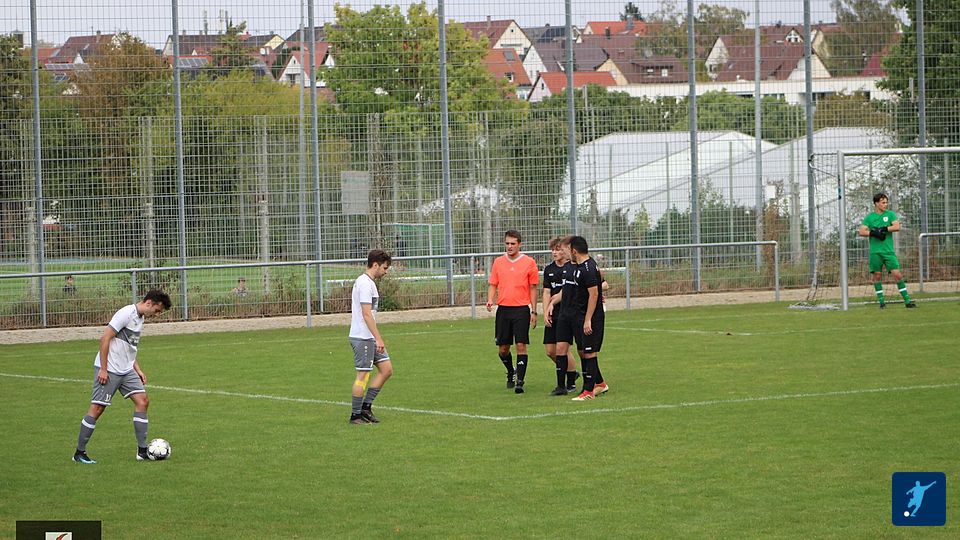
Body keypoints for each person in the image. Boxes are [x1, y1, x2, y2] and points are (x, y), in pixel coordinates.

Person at [72, 289, 172, 464]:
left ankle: (142, 451)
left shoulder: (140, 318)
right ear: (149, 303)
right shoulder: (126, 313)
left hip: (126, 370)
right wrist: (103, 369)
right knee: (97, 409)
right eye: (157, 310)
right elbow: (105, 339)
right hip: (109, 368)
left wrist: (138, 369)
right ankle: (79, 453)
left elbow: (129, 347)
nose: (157, 314)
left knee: (143, 401)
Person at [546, 236, 608, 401]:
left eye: (565, 249)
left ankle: (589, 391)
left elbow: (594, 294)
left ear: (573, 250)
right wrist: (552, 303)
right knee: (579, 351)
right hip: (570, 315)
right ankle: (590, 386)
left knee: (588, 352)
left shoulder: (588, 268)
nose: (563, 252)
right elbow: (568, 291)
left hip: (586, 317)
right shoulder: (576, 267)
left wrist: (588, 319)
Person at [486, 230, 539, 394]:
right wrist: (490, 299)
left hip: (521, 309)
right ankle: (511, 371)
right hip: (503, 310)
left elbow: (533, 288)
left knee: (521, 345)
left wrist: (534, 311)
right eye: (507, 243)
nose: (509, 246)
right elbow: (493, 284)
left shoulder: (529, 262)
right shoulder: (498, 262)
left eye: (513, 244)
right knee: (503, 349)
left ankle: (520, 382)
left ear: (519, 244)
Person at [348, 250, 394, 425]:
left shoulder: (369, 283)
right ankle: (355, 415)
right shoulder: (365, 284)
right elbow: (366, 314)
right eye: (384, 268)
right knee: (363, 376)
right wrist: (378, 338)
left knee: (386, 369)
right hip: (363, 337)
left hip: (369, 337)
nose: (385, 272)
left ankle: (366, 408)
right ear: (375, 265)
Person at [858, 192, 917, 309]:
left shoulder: (890, 214)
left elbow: (897, 226)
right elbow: (862, 231)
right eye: (883, 202)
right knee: (877, 276)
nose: (885, 204)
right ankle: (882, 303)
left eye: (886, 202)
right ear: (876, 203)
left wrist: (884, 229)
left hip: (889, 252)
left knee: (897, 275)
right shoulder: (869, 217)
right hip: (875, 252)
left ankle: (907, 302)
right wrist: (874, 233)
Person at [542, 237, 578, 395]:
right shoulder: (549, 269)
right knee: (550, 351)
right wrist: (545, 312)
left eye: (557, 249)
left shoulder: (571, 267)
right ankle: (570, 372)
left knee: (563, 348)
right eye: (552, 250)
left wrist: (555, 301)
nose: (554, 253)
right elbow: (546, 292)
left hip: (566, 313)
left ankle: (570, 380)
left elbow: (568, 290)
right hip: (553, 314)